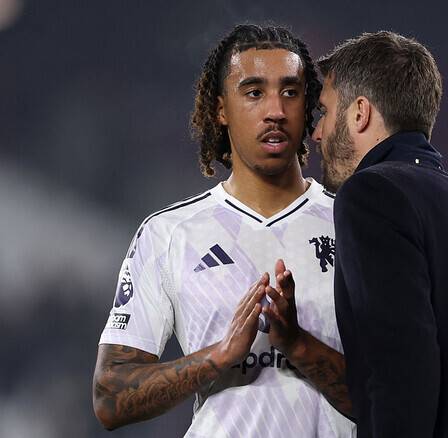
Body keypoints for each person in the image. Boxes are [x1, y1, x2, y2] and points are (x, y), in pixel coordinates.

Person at [93, 24, 355, 437]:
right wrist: (219, 356)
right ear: (220, 109)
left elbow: (398, 394)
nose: (276, 110)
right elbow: (110, 398)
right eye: (254, 93)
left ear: (307, 106)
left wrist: (298, 344)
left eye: (290, 92)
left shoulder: (353, 225)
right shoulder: (169, 234)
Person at [312, 31, 448, 437]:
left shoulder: (371, 195)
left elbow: (401, 369)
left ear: (359, 113)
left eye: (325, 112)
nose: (317, 133)